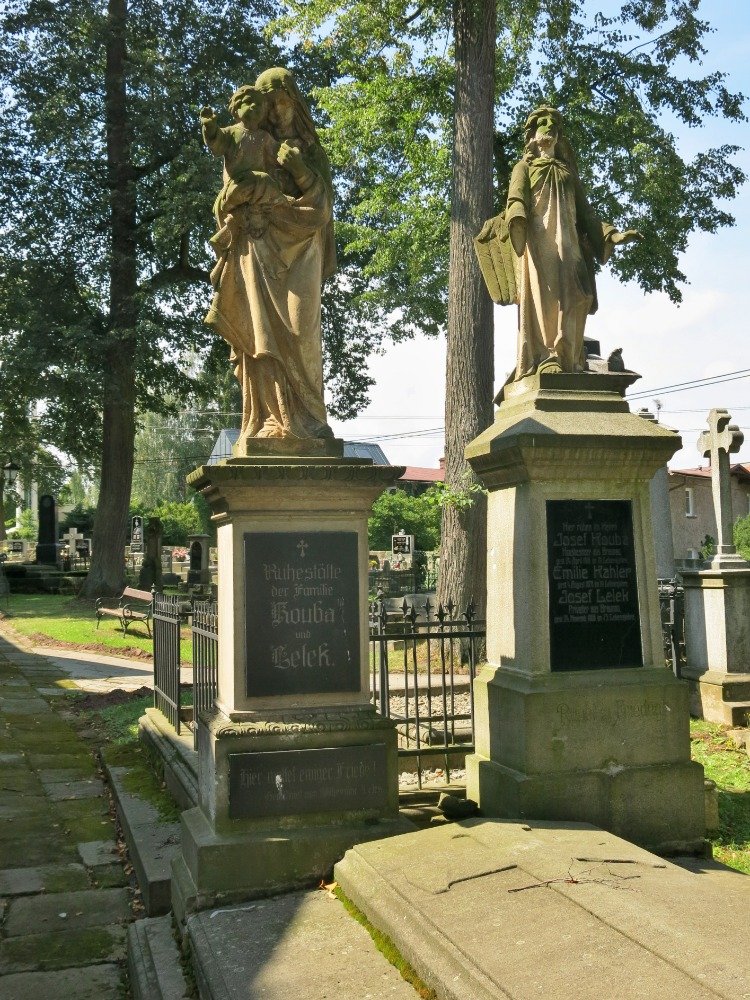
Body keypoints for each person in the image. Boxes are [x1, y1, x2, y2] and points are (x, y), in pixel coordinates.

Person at [204, 67, 336, 445]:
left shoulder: (310, 150)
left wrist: (299, 170)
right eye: (269, 104)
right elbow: (225, 201)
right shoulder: (251, 145)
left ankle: (310, 422)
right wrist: (243, 195)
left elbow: (322, 210)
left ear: (294, 102)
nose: (276, 112)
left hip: (302, 249)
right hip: (258, 249)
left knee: (300, 329)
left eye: (281, 102)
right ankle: (270, 420)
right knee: (260, 334)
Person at [475, 106, 640, 379]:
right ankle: (548, 355)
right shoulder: (523, 168)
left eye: (553, 123)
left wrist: (612, 235)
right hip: (540, 243)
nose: (549, 126)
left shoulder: (567, 173)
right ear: (532, 134)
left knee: (580, 294)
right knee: (547, 296)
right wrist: (517, 218)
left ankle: (571, 357)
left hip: (569, 243)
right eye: (542, 122)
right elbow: (515, 200)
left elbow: (586, 213)